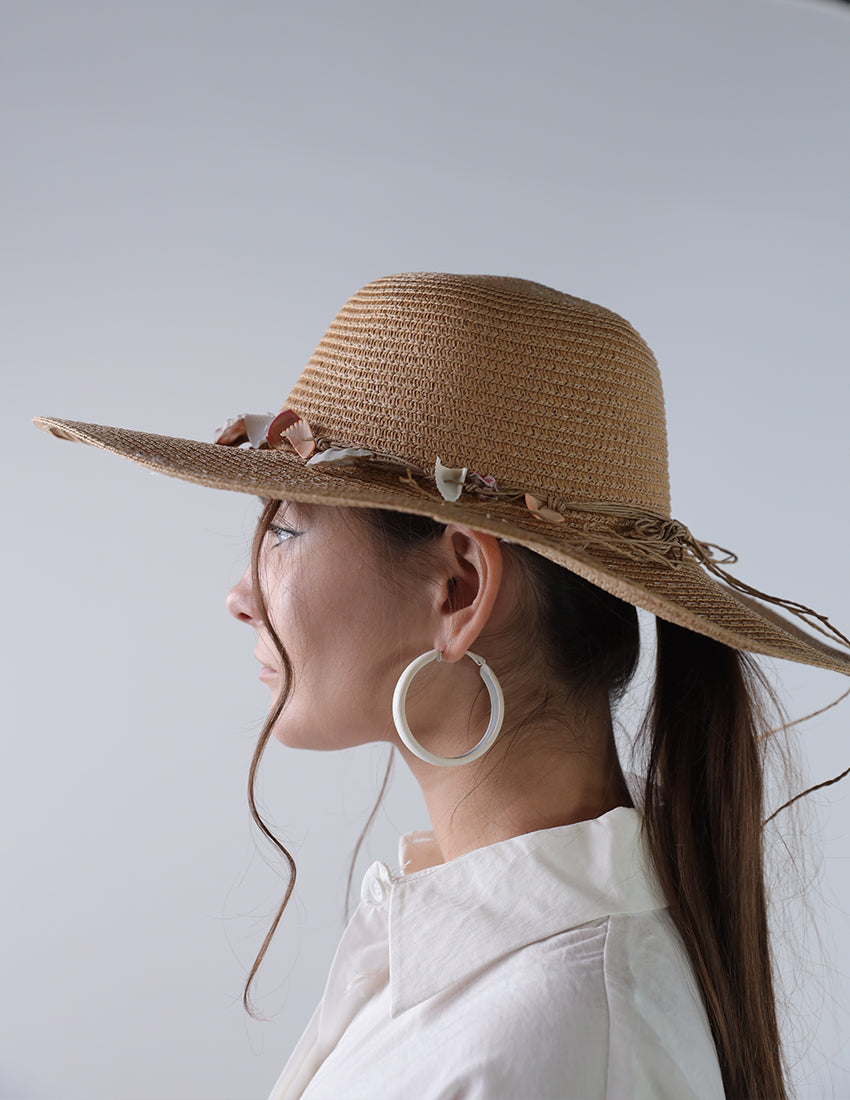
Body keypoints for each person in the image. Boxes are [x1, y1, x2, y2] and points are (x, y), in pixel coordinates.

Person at [34, 272, 850, 1099]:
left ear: (458, 589)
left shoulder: (555, 1040)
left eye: (283, 529)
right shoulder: (495, 974)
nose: (239, 595)